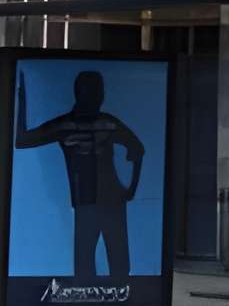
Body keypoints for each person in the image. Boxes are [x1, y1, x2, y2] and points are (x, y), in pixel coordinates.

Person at [13, 67, 146, 281]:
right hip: (93, 200)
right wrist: (130, 188)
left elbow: (138, 149)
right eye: (93, 92)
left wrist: (131, 188)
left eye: (97, 92)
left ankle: (109, 299)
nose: (97, 97)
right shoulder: (96, 124)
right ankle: (106, 300)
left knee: (105, 258)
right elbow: (22, 141)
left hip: (98, 199)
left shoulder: (86, 124)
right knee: (93, 259)